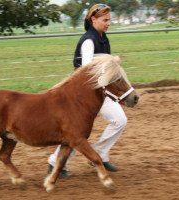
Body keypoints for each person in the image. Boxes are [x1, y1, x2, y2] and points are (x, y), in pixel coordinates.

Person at [48, 3, 127, 177]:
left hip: (100, 92)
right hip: (84, 97)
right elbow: (86, 71)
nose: (109, 23)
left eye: (109, 20)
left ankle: (99, 154)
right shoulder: (89, 41)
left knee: (119, 120)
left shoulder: (102, 38)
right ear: (93, 19)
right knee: (79, 132)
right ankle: (57, 163)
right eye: (105, 20)